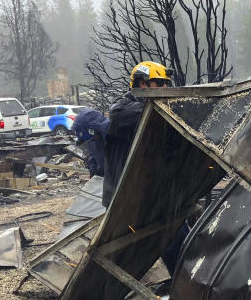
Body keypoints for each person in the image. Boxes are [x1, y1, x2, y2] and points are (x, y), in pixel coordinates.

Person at [103, 61, 174, 207]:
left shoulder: (154, 108)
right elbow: (118, 114)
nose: (165, 88)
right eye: (160, 83)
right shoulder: (122, 109)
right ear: (143, 83)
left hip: (146, 193)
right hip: (123, 196)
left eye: (167, 83)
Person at [71, 109, 109, 177]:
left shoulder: (112, 137)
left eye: (91, 138)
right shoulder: (91, 137)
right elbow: (93, 156)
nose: (91, 140)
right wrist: (93, 172)